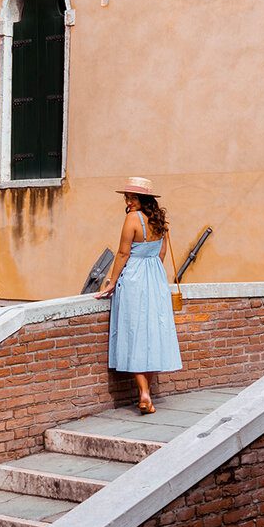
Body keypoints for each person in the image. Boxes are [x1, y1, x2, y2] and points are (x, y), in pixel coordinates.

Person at [95, 177, 182, 414]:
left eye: (131, 197)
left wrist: (111, 281)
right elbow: (161, 255)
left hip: (134, 278)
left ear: (141, 199)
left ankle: (143, 393)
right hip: (156, 279)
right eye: (126, 197)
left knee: (133, 332)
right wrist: (151, 271)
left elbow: (123, 253)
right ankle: (147, 393)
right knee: (153, 334)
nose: (127, 201)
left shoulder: (132, 219)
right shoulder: (161, 223)